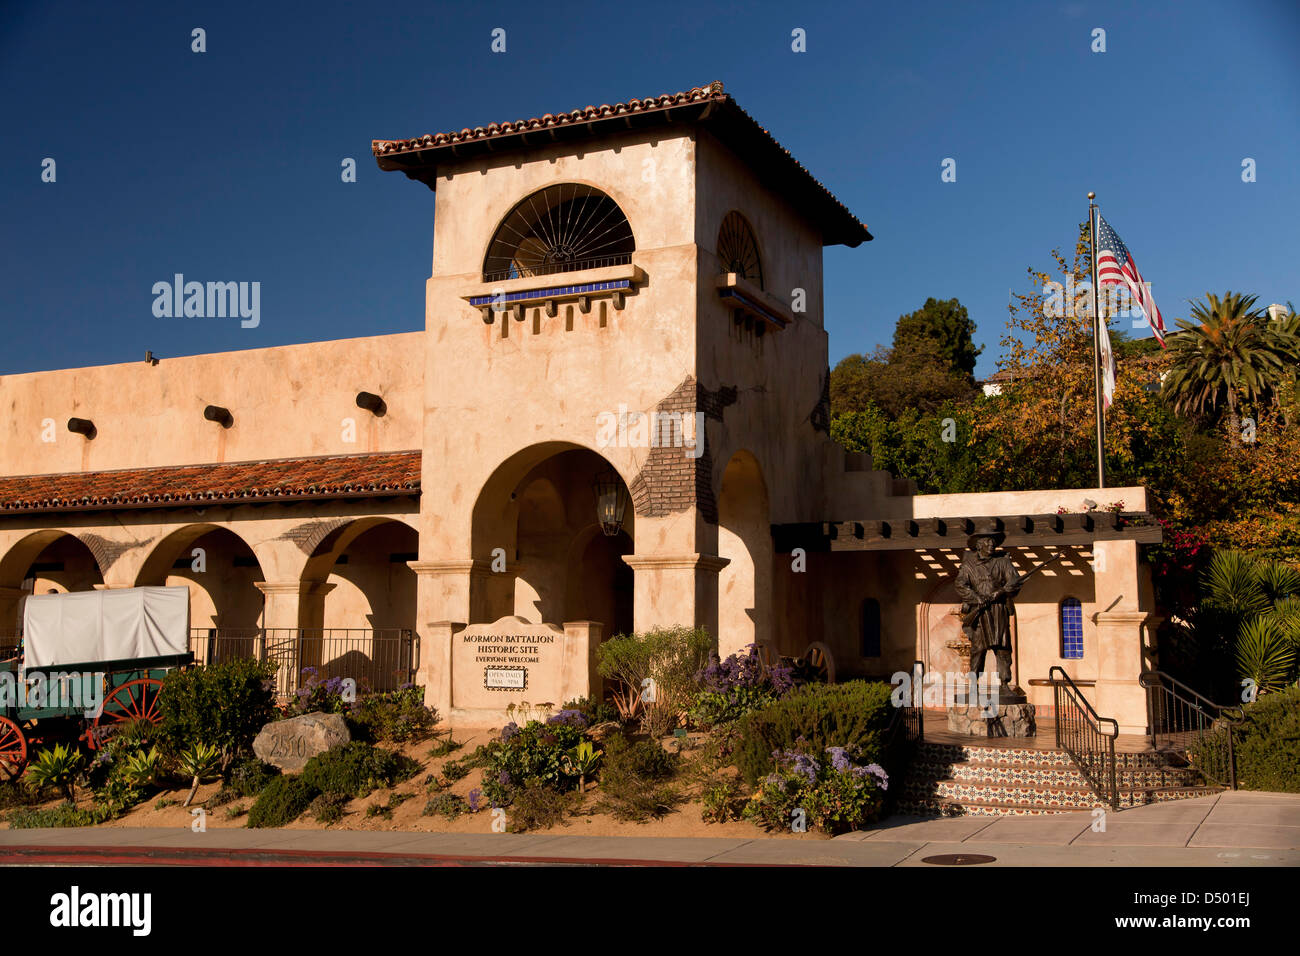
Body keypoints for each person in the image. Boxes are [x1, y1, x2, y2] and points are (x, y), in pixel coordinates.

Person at [954, 531, 1024, 701]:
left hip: (998, 611)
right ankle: (973, 684)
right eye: (987, 542)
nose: (991, 544)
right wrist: (977, 598)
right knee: (978, 650)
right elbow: (960, 585)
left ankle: (1004, 685)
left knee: (1003, 649)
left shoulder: (1003, 562)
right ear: (979, 545)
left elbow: (1014, 581)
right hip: (980, 614)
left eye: (992, 542)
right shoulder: (968, 566)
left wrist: (1000, 593)